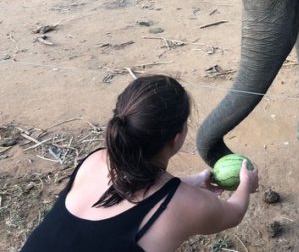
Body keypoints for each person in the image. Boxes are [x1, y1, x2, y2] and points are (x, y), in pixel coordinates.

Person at [21, 75, 258, 252]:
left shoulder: (95, 160)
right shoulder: (185, 205)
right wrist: (245, 184)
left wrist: (192, 183)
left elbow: (133, 194)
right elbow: (234, 213)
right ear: (177, 137)